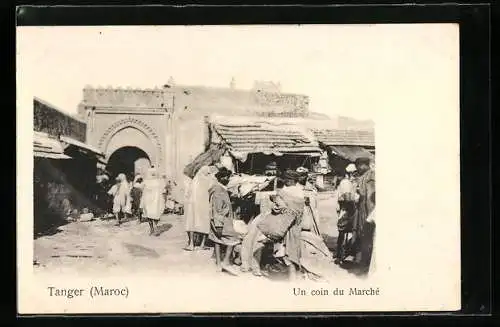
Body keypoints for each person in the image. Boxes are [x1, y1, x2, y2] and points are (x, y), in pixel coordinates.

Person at [241, 170, 305, 280]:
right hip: (294, 225)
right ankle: (292, 278)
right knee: (291, 251)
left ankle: (290, 279)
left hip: (283, 224)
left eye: (287, 180)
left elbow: (279, 206)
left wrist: (275, 202)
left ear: (290, 180)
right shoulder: (300, 191)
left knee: (282, 251)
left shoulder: (285, 191)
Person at [208, 167, 241, 275]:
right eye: (226, 177)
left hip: (217, 220)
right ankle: (225, 262)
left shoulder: (219, 189)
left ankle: (218, 264)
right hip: (222, 220)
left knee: (217, 240)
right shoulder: (219, 190)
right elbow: (218, 209)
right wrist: (219, 225)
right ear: (221, 178)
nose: (227, 179)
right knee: (233, 239)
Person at [184, 165, 217, 251]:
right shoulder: (209, 180)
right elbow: (213, 190)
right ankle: (202, 244)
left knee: (191, 222)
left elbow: (188, 193)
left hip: (193, 205)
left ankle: (191, 244)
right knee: (205, 223)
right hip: (204, 204)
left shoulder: (195, 179)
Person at [352, 157, 376, 272]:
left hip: (367, 211)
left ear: (363, 165)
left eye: (358, 166)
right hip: (362, 209)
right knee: (362, 235)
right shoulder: (363, 176)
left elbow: (370, 198)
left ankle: (367, 262)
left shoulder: (370, 177)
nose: (357, 168)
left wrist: (369, 216)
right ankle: (363, 260)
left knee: (368, 236)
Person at [335, 163, 359, 265]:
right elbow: (348, 198)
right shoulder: (345, 183)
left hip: (349, 209)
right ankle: (340, 256)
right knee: (343, 232)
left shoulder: (349, 182)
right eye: (354, 173)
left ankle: (344, 254)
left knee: (346, 232)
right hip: (347, 210)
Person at [141, 168, 165, 235]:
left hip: (152, 201)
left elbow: (143, 191)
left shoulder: (150, 182)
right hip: (153, 201)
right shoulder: (157, 182)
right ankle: (153, 227)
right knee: (153, 214)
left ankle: (152, 228)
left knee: (151, 215)